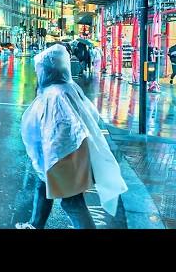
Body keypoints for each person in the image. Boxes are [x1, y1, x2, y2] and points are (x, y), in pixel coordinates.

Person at [16, 44, 128, 229]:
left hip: (62, 156)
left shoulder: (55, 95)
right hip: (69, 154)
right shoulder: (67, 88)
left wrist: (52, 160)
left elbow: (59, 132)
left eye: (40, 69)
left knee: (71, 202)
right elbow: (89, 116)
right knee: (42, 186)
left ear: (49, 70)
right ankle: (36, 224)